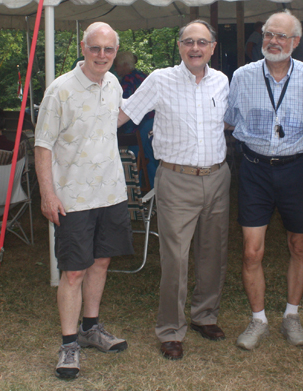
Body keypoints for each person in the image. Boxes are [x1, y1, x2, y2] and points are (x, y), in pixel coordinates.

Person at [118, 20, 230, 361]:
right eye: (188, 42)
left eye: (202, 42)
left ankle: (204, 316)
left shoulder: (222, 81)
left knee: (214, 252)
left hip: (217, 177)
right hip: (176, 179)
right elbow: (124, 114)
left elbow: (230, 121)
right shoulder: (160, 79)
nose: (195, 48)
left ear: (212, 47)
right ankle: (170, 329)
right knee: (175, 259)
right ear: (179, 46)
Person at [35, 22, 134, 379]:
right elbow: (42, 145)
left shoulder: (113, 84)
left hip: (110, 192)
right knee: (74, 270)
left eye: (108, 50)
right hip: (72, 197)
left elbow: (107, 126)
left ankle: (91, 328)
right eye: (95, 48)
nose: (102, 56)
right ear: (83, 47)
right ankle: (68, 344)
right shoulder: (60, 90)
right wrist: (48, 193)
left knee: (101, 263)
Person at [225, 10, 303, 350]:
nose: (274, 41)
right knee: (251, 252)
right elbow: (229, 119)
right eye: (269, 34)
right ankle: (258, 319)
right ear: (261, 38)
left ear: (295, 42)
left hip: (298, 170)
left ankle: (292, 316)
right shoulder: (242, 76)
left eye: (282, 36)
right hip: (255, 169)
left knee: (299, 245)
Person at [113, 51, 158, 188]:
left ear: (125, 65)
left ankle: (131, 189)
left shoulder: (127, 80)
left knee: (132, 156)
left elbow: (122, 104)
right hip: (153, 120)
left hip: (140, 124)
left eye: (117, 66)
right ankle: (154, 191)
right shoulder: (144, 76)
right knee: (149, 157)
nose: (115, 69)